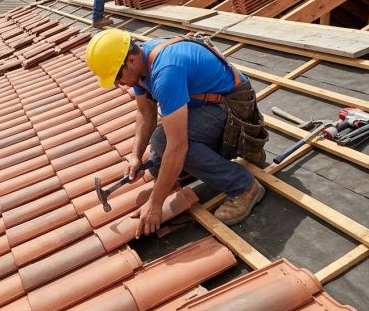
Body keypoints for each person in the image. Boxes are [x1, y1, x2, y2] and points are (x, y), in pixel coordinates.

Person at [85, 29, 267, 236]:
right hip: (207, 107)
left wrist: (155, 204)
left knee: (164, 143)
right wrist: (135, 156)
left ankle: (244, 186)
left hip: (234, 114)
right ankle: (201, 163)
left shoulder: (166, 71)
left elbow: (177, 145)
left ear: (131, 61)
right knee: (157, 164)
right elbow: (145, 113)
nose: (118, 83)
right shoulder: (140, 66)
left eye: (117, 76)